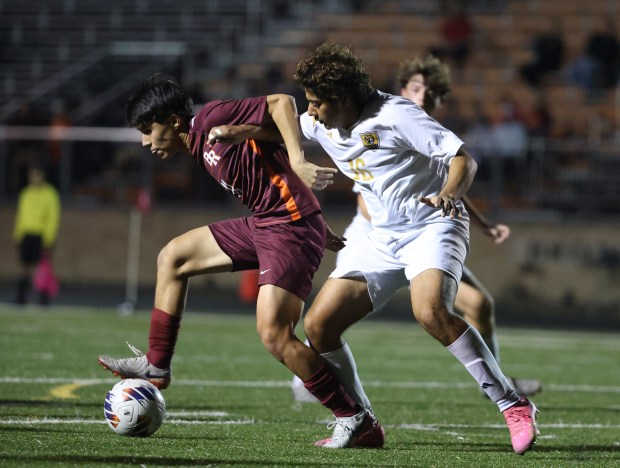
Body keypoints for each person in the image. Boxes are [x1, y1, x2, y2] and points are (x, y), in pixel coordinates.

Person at [98, 73, 375, 449]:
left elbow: (282, 103)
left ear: (175, 121)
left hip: (289, 227)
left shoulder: (210, 119)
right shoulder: (200, 143)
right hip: (269, 223)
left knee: (275, 335)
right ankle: (157, 364)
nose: (146, 141)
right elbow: (267, 161)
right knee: (173, 257)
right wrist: (313, 214)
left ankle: (353, 417)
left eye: (149, 129)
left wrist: (300, 163)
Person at [290, 43, 539, 455]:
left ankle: (513, 404)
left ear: (344, 99)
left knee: (430, 311)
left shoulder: (397, 114)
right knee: (318, 326)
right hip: (379, 236)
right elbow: (273, 122)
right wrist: (215, 128)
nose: (310, 112)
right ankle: (361, 422)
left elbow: (463, 160)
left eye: (316, 103)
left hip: (432, 224)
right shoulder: (323, 122)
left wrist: (448, 194)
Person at [13, 165, 61, 305]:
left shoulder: (50, 194)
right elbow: (20, 215)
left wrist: (49, 238)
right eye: (31, 176)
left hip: (41, 235)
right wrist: (17, 234)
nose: (34, 179)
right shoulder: (26, 193)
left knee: (43, 266)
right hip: (26, 233)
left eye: (36, 175)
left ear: (42, 176)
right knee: (25, 267)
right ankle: (21, 297)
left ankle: (44, 298)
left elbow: (53, 218)